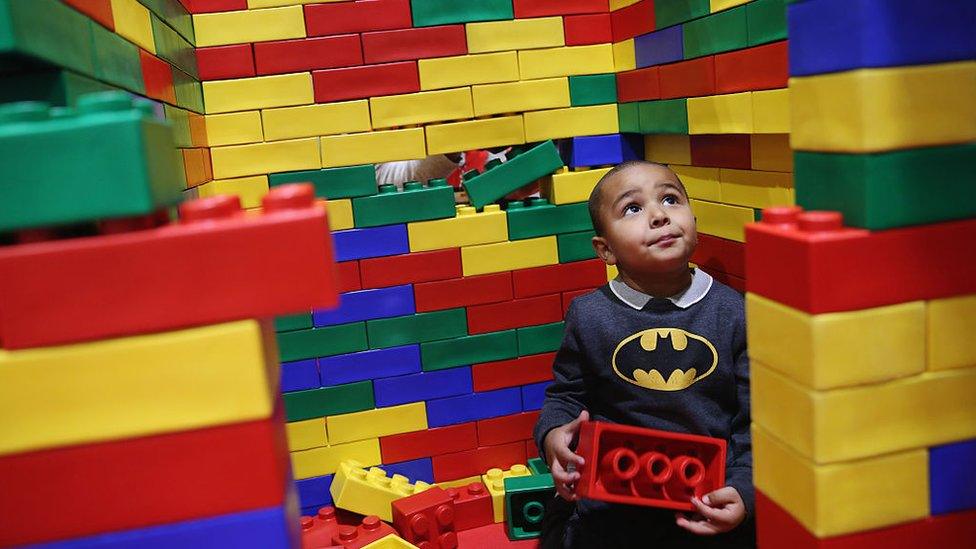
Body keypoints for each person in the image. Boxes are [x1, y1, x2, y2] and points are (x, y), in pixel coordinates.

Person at [533, 161, 755, 548]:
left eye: (670, 199)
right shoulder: (589, 315)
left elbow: (753, 418)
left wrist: (744, 487)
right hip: (613, 500)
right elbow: (567, 396)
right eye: (632, 208)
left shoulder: (732, 311)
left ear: (695, 224)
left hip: (704, 496)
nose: (658, 216)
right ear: (606, 250)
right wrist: (554, 435)